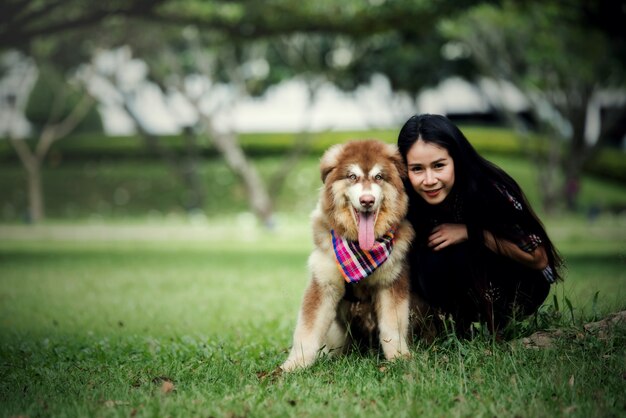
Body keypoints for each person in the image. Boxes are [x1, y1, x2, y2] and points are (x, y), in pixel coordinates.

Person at [397, 114, 563, 336]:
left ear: (456, 158)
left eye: (439, 166)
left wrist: (471, 232)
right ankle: (449, 327)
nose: (429, 180)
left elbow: (539, 258)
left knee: (457, 249)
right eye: (417, 169)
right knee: (424, 250)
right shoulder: (405, 197)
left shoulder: (488, 189)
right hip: (459, 288)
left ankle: (496, 325)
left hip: (518, 287)